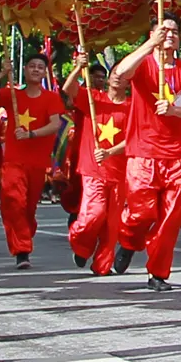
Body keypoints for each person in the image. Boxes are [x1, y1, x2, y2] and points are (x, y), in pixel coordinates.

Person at [110, 13, 181, 291]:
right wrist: (150, 46)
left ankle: (158, 273)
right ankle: (128, 241)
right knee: (142, 214)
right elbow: (121, 73)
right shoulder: (144, 65)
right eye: (164, 30)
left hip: (176, 157)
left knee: (170, 220)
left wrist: (175, 110)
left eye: (174, 31)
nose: (170, 35)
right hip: (143, 153)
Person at [0, 53, 64, 268]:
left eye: (40, 67)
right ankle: (22, 250)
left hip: (37, 162)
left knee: (28, 209)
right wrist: (2, 72)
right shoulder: (13, 96)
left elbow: (55, 124)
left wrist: (31, 134)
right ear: (25, 70)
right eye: (32, 66)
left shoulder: (51, 98)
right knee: (13, 202)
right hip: (14, 160)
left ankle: (24, 237)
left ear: (45, 72)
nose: (36, 70)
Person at [64, 56, 129, 275]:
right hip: (94, 169)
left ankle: (102, 265)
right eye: (115, 73)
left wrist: (111, 151)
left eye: (124, 75)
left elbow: (135, 137)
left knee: (112, 225)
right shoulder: (93, 99)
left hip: (120, 172)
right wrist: (79, 67)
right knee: (94, 214)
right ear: (109, 79)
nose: (119, 78)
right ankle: (79, 240)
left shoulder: (132, 106)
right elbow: (68, 88)